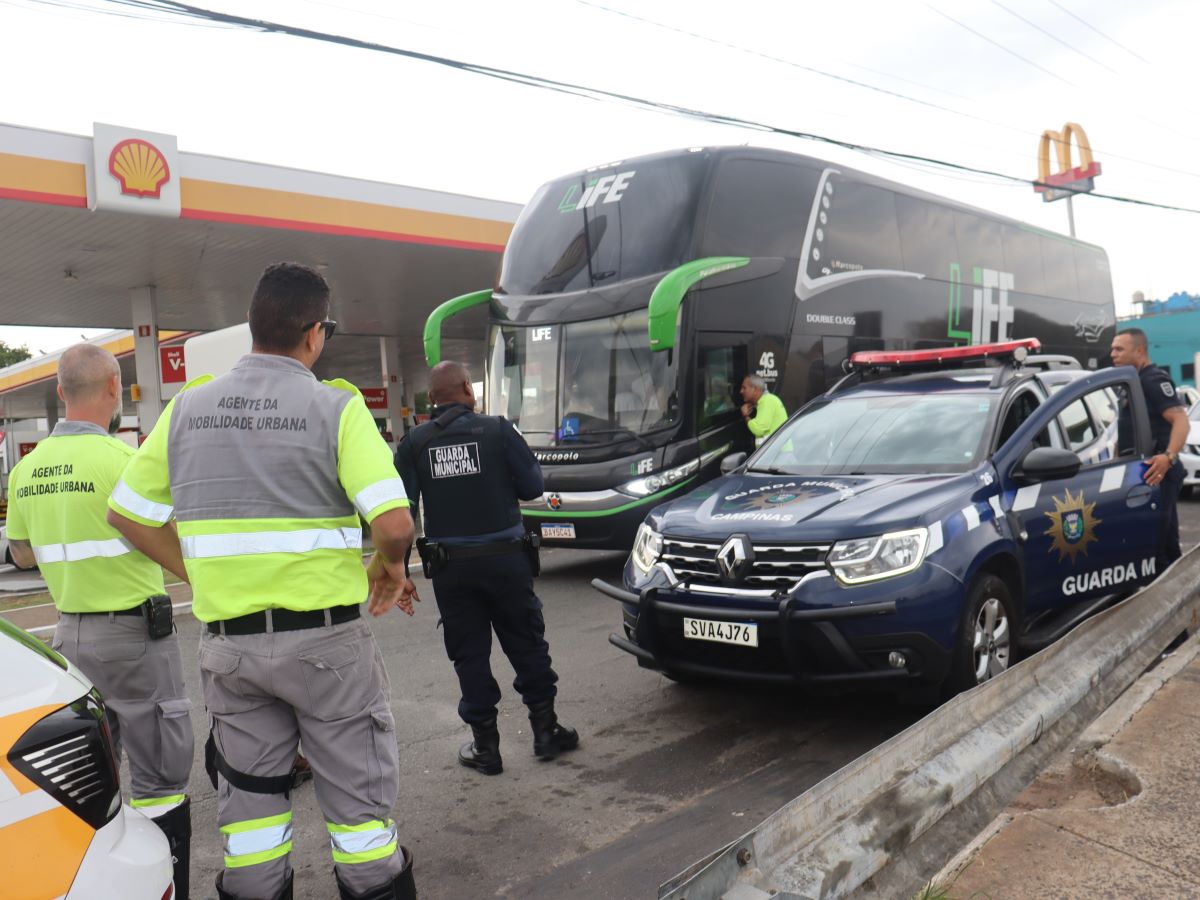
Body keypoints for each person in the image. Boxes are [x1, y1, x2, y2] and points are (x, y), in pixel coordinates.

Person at [107, 263, 419, 900]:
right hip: (327, 648)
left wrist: (198, 568)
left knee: (250, 819)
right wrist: (388, 567)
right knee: (359, 817)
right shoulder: (336, 405)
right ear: (313, 333)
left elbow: (127, 514)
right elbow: (393, 523)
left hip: (230, 649)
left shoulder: (188, 407)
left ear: (254, 327)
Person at [5, 343, 195, 897]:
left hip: (69, 641)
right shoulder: (123, 460)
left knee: (94, 783)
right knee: (160, 782)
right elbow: (169, 534)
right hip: (136, 640)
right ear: (115, 389)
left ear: (61, 393)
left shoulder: (26, 469)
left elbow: (21, 555)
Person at [393, 361, 578, 776]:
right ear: (466, 388)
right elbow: (533, 487)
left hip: (451, 571)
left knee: (469, 655)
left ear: (430, 400)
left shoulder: (415, 444)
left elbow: (401, 513)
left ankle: (486, 749)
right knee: (527, 643)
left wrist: (401, 572)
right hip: (506, 561)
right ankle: (545, 732)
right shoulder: (498, 431)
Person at [1111, 327, 1189, 568]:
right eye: (1112, 348)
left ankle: (1173, 599)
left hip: (1159, 473)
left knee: (1159, 545)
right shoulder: (1133, 382)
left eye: (1119, 349)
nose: (1112, 353)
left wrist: (1168, 457)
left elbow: (1181, 421)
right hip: (1144, 474)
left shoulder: (1152, 379)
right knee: (1161, 543)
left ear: (1140, 350)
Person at [740, 375, 788, 447]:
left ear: (755, 390)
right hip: (777, 453)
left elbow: (758, 429)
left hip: (778, 454)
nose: (741, 391)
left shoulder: (767, 401)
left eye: (744, 388)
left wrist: (745, 415)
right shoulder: (768, 400)